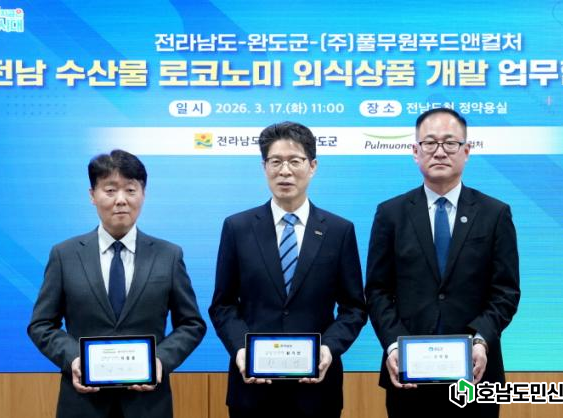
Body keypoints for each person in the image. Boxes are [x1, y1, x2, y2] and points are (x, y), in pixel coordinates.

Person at [365, 108, 521, 417]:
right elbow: (377, 291)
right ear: (415, 151)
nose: (439, 151)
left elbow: (506, 292)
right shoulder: (390, 214)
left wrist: (481, 340)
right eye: (430, 143)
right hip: (408, 375)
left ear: (467, 151)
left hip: (475, 374)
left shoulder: (495, 213)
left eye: (450, 143)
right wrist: (394, 344)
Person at [28, 150, 206, 418]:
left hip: (148, 405)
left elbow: (191, 324)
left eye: (130, 190)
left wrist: (160, 361)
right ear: (92, 195)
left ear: (143, 194)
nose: (121, 200)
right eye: (110, 190)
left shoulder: (168, 255)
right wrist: (75, 358)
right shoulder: (64, 255)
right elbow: (41, 324)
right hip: (83, 404)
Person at [209, 121, 367, 418]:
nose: (285, 171)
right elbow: (223, 305)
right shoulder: (237, 228)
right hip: (252, 387)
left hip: (316, 389)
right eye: (276, 161)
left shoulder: (339, 230)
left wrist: (328, 349)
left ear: (312, 166)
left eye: (295, 161)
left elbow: (354, 308)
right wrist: (242, 349)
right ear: (264, 167)